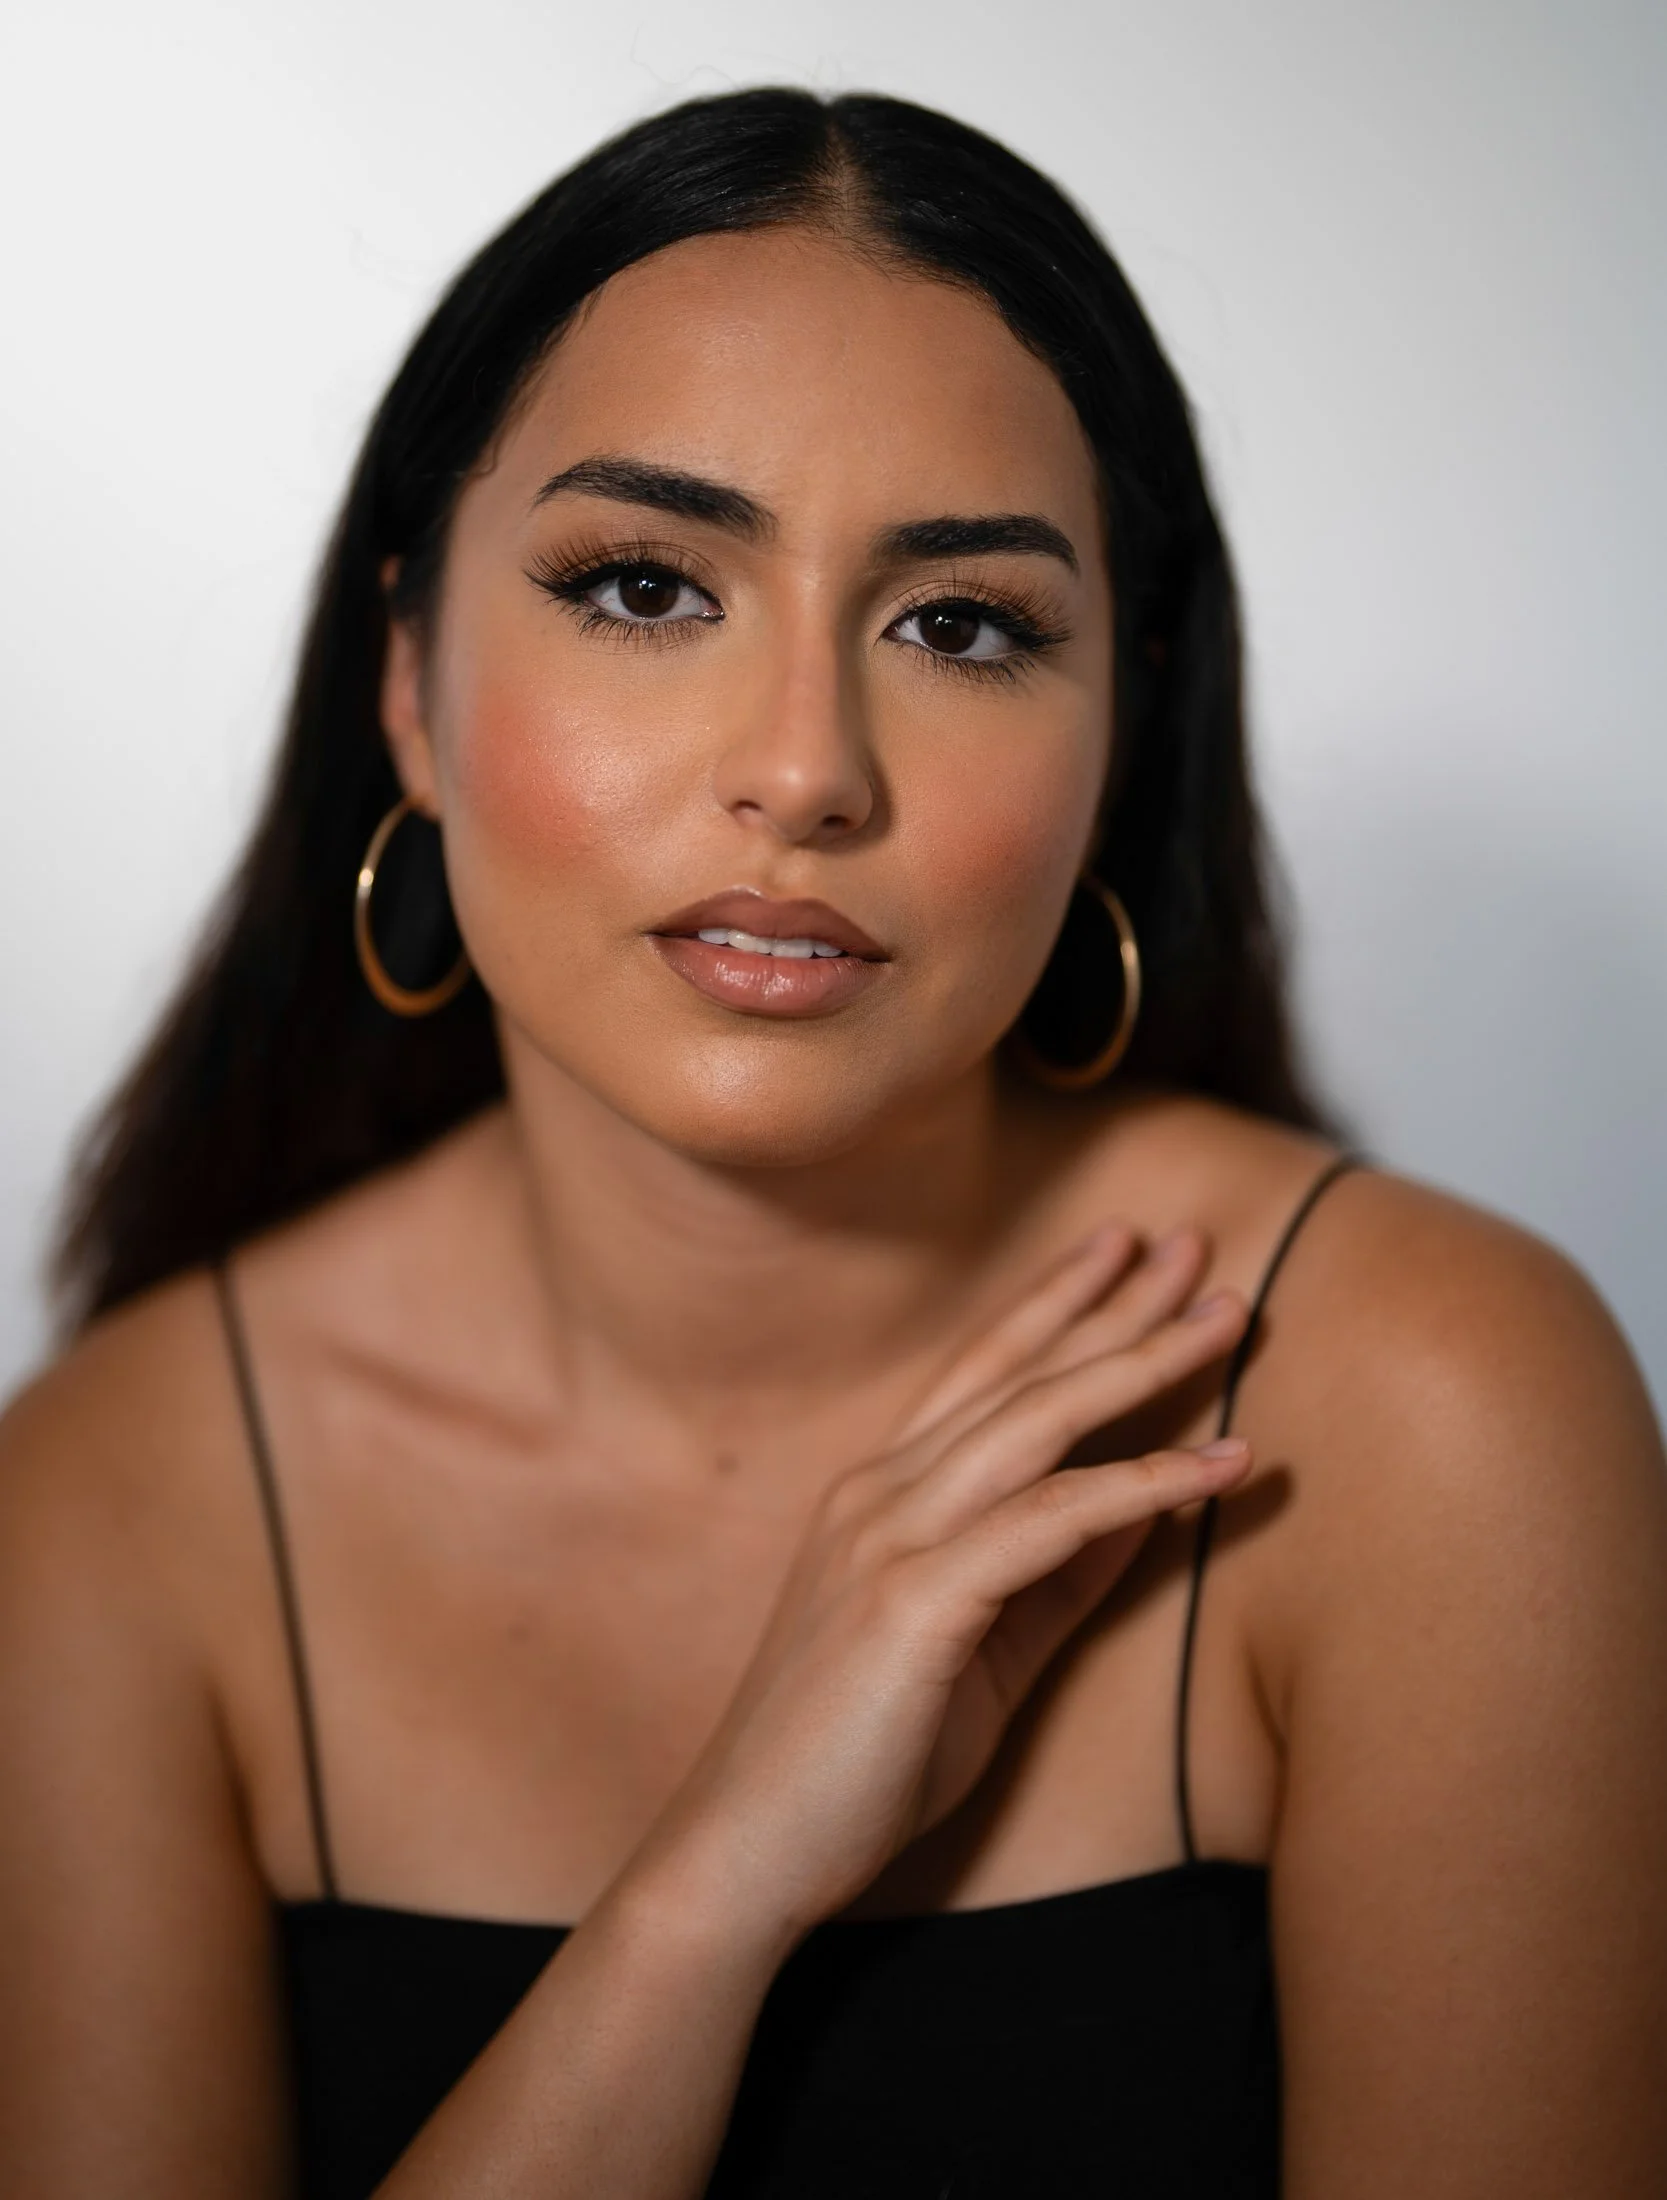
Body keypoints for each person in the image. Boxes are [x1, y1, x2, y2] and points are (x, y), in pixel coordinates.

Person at [1, 85, 1663, 2200]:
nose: (801, 769)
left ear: (1117, 729)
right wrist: (712, 1883)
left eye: (958, 623)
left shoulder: (1427, 1415)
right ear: (406, 685)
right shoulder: (111, 1508)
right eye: (642, 588)